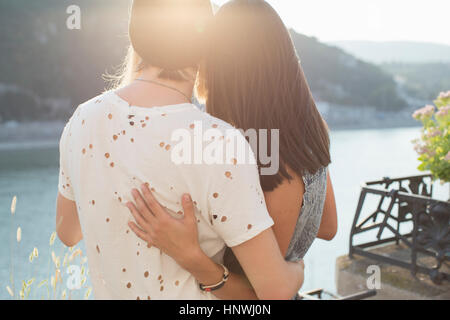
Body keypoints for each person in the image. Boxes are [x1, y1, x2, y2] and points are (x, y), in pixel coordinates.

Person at [56, 0, 305, 300]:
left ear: (137, 37)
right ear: (205, 45)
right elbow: (274, 294)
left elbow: (67, 232)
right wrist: (297, 268)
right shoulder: (218, 142)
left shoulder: (82, 119)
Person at [126, 0, 337, 300]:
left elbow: (260, 292)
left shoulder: (252, 158)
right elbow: (328, 227)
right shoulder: (311, 134)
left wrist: (192, 257)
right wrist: (293, 266)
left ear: (221, 67)